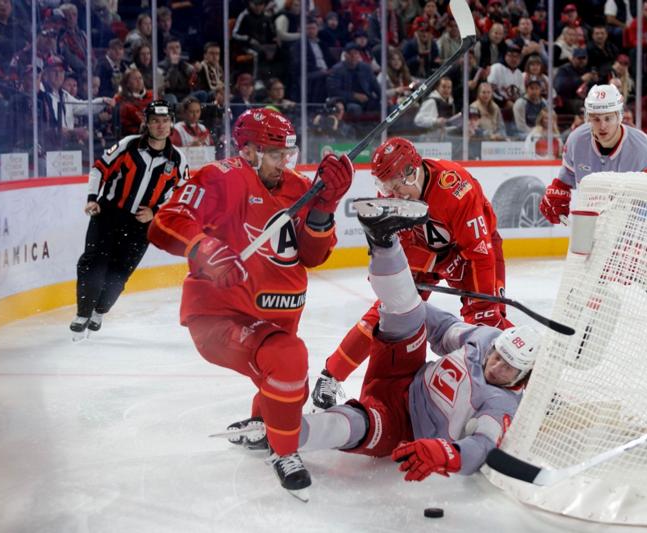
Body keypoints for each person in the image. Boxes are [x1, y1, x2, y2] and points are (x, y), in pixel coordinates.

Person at [226, 198, 539, 484]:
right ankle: (383, 240)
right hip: (404, 371)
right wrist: (401, 296)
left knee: (353, 426)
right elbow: (440, 327)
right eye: (499, 356)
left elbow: (482, 447)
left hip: (399, 423)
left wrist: (447, 454)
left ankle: (279, 434)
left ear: (521, 377)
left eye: (508, 368)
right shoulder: (486, 339)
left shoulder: (501, 403)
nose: (496, 366)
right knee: (409, 309)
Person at [146, 108, 353, 499]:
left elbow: (313, 256)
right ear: (249, 151)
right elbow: (165, 222)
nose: (283, 162)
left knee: (291, 385)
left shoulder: (298, 187)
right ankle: (284, 452)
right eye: (275, 154)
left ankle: (263, 425)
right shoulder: (220, 178)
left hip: (273, 322)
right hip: (220, 316)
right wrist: (202, 246)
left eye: (287, 153)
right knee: (288, 359)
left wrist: (324, 208)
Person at [312, 136, 511, 411]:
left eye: (395, 184)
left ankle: (530, 382)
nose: (391, 194)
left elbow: (480, 253)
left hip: (474, 253)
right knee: (389, 311)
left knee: (487, 324)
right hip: (428, 255)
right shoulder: (390, 199)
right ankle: (331, 375)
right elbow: (401, 249)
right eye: (385, 186)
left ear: (411, 171)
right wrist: (396, 272)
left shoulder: (455, 188)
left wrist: (484, 306)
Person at [70, 100, 188, 339]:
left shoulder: (178, 159)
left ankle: (100, 310)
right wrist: (92, 198)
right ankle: (82, 313)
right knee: (93, 263)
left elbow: (181, 195)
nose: (161, 125)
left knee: (119, 273)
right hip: (107, 216)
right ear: (147, 123)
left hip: (141, 226)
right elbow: (99, 169)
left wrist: (156, 212)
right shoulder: (128, 145)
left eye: (165, 121)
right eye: (155, 121)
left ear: (172, 123)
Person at [539, 84, 647, 225]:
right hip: (590, 225)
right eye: (596, 119)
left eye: (608, 118)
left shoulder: (642, 148)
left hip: (632, 228)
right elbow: (567, 177)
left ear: (619, 116)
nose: (602, 126)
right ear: (588, 118)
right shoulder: (577, 140)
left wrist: (641, 213)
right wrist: (558, 193)